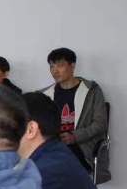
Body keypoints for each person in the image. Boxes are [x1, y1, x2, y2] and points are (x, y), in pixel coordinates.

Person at [42, 48, 109, 180]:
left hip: (81, 148)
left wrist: (75, 136)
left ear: (72, 66)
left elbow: (100, 124)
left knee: (57, 171)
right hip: (53, 147)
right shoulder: (45, 94)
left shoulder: (91, 91)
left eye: (60, 65)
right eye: (51, 66)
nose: (55, 71)